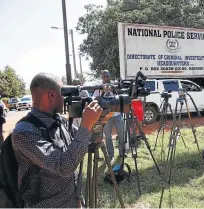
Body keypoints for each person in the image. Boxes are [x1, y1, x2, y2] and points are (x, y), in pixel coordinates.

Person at [11, 73, 102, 208]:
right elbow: (64, 166)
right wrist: (86, 125)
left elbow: (82, 141)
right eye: (64, 93)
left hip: (72, 200)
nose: (66, 98)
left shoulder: (59, 120)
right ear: (52, 95)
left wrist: (98, 122)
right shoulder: (24, 132)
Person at [92, 70, 125, 163]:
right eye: (104, 76)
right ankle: (111, 155)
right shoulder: (98, 88)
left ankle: (122, 152)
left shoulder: (114, 86)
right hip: (107, 116)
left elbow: (120, 97)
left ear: (110, 76)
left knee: (121, 134)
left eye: (107, 76)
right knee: (108, 136)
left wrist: (116, 91)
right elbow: (94, 99)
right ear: (102, 77)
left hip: (117, 114)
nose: (106, 78)